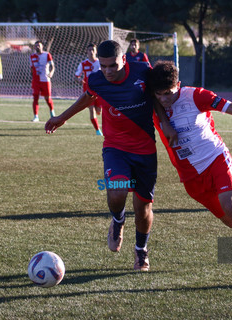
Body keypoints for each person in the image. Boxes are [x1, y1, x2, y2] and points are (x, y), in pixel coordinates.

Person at [45, 40, 174, 271]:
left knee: (143, 207)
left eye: (112, 66)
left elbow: (156, 98)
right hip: (115, 147)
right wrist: (61, 118)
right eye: (102, 66)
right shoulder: (96, 79)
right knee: (117, 192)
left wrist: (165, 123)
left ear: (123, 60)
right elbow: (87, 97)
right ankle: (117, 220)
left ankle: (141, 252)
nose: (107, 71)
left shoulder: (143, 72)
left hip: (145, 149)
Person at [149, 60, 232, 285]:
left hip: (216, 158)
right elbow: (150, 95)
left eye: (169, 93)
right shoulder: (152, 101)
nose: (165, 98)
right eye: (160, 94)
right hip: (191, 177)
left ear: (179, 84)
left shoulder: (196, 96)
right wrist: (164, 120)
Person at [75, 43, 103, 136]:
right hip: (88, 92)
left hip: (99, 91)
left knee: (99, 110)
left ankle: (99, 120)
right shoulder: (83, 64)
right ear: (87, 52)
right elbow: (76, 76)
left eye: (93, 50)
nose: (91, 52)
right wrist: (79, 80)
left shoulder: (100, 63)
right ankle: (98, 130)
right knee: (92, 110)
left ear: (96, 51)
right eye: (89, 50)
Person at [30, 40, 55, 122]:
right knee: (35, 98)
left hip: (45, 80)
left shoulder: (47, 55)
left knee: (48, 99)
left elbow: (52, 66)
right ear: (34, 47)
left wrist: (51, 73)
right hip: (36, 81)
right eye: (36, 45)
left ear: (42, 46)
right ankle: (36, 116)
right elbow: (31, 68)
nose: (37, 47)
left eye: (39, 45)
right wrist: (33, 77)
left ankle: (52, 112)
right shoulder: (32, 56)